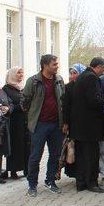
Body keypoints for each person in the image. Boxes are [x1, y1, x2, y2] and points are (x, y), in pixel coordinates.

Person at [21, 54, 65, 197]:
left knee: (55, 155)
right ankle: (32, 185)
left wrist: (64, 122)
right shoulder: (33, 81)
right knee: (35, 156)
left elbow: (63, 101)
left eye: (57, 64)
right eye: (54, 64)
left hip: (56, 125)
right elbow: (24, 101)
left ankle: (50, 180)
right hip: (39, 125)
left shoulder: (59, 80)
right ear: (45, 66)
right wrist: (32, 117)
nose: (57, 66)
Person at [69, 58, 104, 193]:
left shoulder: (82, 77)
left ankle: (81, 183)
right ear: (98, 67)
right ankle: (92, 183)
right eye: (103, 68)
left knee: (81, 156)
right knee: (91, 156)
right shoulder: (91, 78)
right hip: (90, 127)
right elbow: (93, 100)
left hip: (79, 126)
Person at [2, 67, 29, 179]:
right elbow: (8, 105)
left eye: (22, 73)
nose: (21, 75)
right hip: (13, 121)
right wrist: (20, 107)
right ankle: (13, 170)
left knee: (26, 145)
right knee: (15, 145)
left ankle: (26, 169)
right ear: (12, 74)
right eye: (18, 73)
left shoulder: (23, 87)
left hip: (25, 120)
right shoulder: (6, 89)